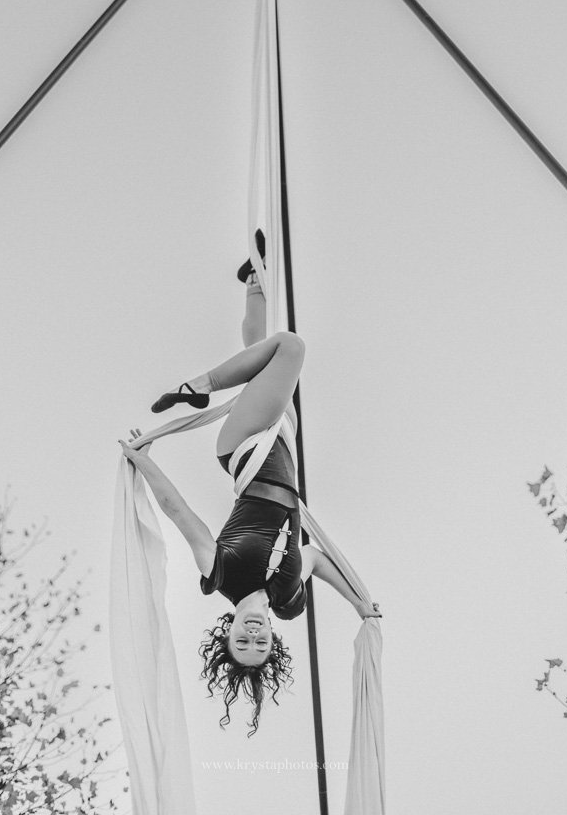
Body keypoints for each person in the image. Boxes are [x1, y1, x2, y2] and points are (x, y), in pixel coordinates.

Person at [119, 243, 381, 734]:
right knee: (261, 355)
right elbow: (317, 558)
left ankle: (199, 385)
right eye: (260, 646)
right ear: (272, 644)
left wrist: (144, 462)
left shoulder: (220, 574)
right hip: (283, 452)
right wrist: (358, 605)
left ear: (228, 632)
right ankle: (254, 282)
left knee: (290, 349)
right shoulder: (287, 596)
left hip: (246, 451)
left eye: (242, 642)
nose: (253, 637)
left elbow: (180, 513)